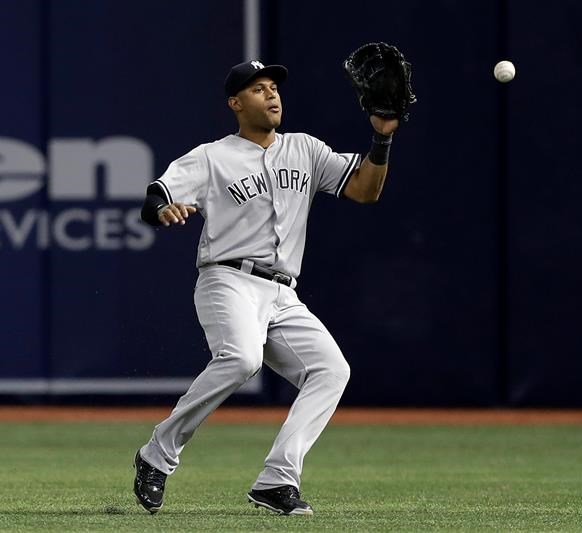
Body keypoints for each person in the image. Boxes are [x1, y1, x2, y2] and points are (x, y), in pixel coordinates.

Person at [133, 60, 399, 516]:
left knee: (331, 371)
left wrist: (382, 136)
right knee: (241, 358)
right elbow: (156, 195)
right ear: (236, 104)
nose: (272, 95)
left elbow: (365, 189)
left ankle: (277, 480)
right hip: (227, 278)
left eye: (274, 87)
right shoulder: (212, 156)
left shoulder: (306, 149)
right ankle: (157, 454)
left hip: (282, 292)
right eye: (259, 89)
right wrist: (162, 211)